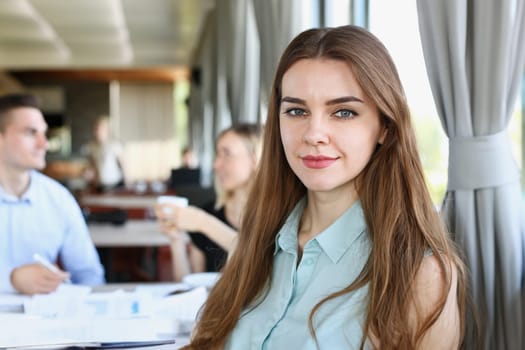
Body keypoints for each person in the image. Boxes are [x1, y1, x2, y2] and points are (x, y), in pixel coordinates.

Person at [185, 26, 467, 349]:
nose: (314, 133)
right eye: (296, 111)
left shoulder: (420, 273)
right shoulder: (259, 242)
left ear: (385, 128)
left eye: (343, 112)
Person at [0, 93, 105, 296]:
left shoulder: (59, 199)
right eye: (31, 133)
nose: (44, 144)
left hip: (47, 322)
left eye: (43, 133)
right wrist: (12, 279)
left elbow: (90, 276)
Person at [155, 123, 262, 281]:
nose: (216, 164)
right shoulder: (209, 212)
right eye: (217, 155)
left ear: (255, 160)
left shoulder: (278, 217)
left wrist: (203, 223)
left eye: (227, 154)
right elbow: (190, 286)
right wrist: (176, 240)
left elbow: (262, 262)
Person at [83, 116, 125, 192]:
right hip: (99, 185)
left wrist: (128, 184)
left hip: (115, 185)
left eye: (99, 128)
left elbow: (124, 165)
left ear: (107, 130)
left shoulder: (114, 145)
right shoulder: (91, 146)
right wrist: (88, 172)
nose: (96, 131)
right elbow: (91, 165)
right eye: (95, 129)